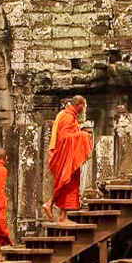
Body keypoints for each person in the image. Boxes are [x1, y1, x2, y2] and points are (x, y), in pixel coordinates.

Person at [43, 95, 93, 225]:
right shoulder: (68, 117)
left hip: (67, 156)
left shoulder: (66, 115)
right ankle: (57, 212)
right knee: (66, 182)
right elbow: (65, 138)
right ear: (78, 105)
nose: (84, 108)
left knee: (67, 183)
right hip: (64, 156)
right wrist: (83, 136)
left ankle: (58, 212)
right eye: (83, 105)